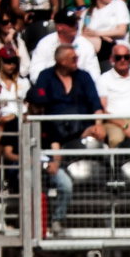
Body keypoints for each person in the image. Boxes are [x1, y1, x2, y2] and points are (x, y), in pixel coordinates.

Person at [25, 43, 106, 235]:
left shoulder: (84, 76)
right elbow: (40, 102)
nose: (77, 61)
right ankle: (35, 224)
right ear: (61, 61)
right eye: (73, 59)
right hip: (53, 131)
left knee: (100, 140)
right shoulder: (46, 76)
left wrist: (98, 124)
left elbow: (95, 103)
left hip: (82, 131)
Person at [96, 41, 130, 146]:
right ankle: (116, 163)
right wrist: (125, 126)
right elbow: (103, 109)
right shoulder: (104, 78)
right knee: (116, 139)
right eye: (118, 57)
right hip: (114, 122)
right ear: (112, 59)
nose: (123, 60)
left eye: (126, 57)